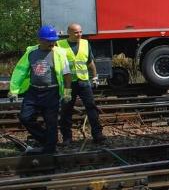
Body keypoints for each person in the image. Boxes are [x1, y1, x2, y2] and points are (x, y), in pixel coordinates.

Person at [8, 25, 72, 154]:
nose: (52, 43)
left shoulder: (59, 53)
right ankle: (46, 139)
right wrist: (14, 90)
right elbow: (20, 71)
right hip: (33, 91)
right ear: (40, 40)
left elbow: (67, 75)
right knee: (25, 117)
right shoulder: (31, 52)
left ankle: (50, 149)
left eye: (54, 40)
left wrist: (67, 92)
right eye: (49, 40)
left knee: (51, 122)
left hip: (51, 92)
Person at [58, 23, 105, 145]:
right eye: (76, 32)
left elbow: (90, 62)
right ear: (69, 33)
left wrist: (95, 76)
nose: (79, 34)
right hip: (68, 84)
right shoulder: (60, 45)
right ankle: (67, 138)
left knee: (91, 108)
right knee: (66, 110)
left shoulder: (85, 43)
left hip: (84, 82)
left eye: (80, 32)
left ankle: (97, 135)